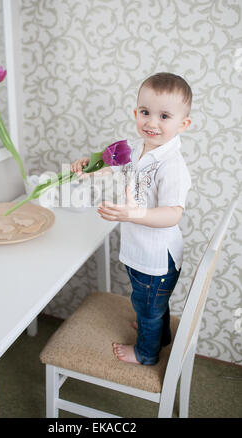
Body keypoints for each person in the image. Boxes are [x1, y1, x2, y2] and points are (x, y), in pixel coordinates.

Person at [70, 72, 192, 365]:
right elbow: (110, 162)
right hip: (142, 252)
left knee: (146, 306)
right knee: (150, 303)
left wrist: (134, 213)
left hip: (155, 258)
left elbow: (173, 213)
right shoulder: (138, 148)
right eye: (146, 112)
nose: (151, 122)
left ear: (183, 124)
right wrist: (89, 165)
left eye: (164, 116)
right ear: (135, 112)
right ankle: (159, 333)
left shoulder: (171, 165)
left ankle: (146, 353)